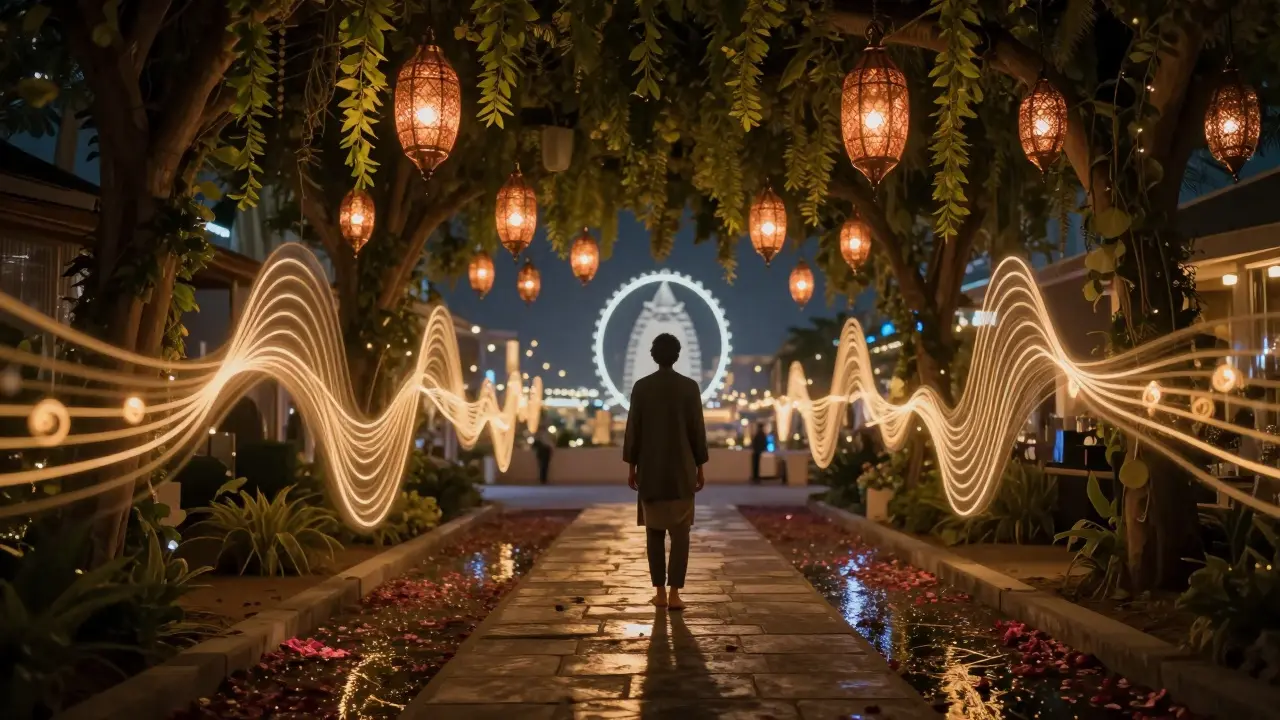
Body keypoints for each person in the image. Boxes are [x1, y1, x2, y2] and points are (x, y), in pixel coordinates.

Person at [623, 333, 709, 610]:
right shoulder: (690, 387)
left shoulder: (641, 387)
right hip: (682, 470)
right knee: (680, 534)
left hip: (650, 469)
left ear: (653, 355)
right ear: (678, 355)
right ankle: (675, 594)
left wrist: (631, 467)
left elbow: (633, 430)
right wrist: (700, 467)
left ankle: (659, 593)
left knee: (654, 533)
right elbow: (697, 431)